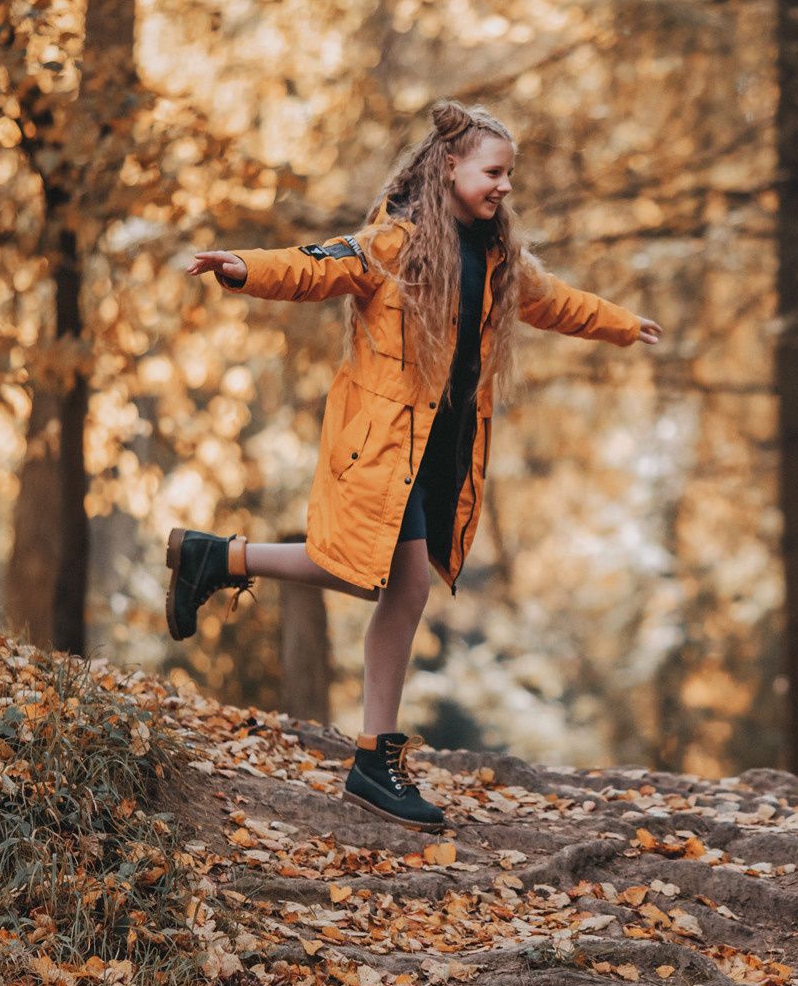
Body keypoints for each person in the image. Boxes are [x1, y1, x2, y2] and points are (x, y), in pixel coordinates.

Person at [166, 101, 662, 832]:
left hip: (441, 452)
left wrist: (621, 324)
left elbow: (553, 301)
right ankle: (363, 744)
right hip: (385, 445)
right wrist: (245, 269)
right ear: (449, 167)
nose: (504, 188)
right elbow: (318, 266)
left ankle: (233, 571)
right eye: (494, 173)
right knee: (376, 577)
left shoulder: (498, 259)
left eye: (508, 176)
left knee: (398, 589)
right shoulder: (394, 244)